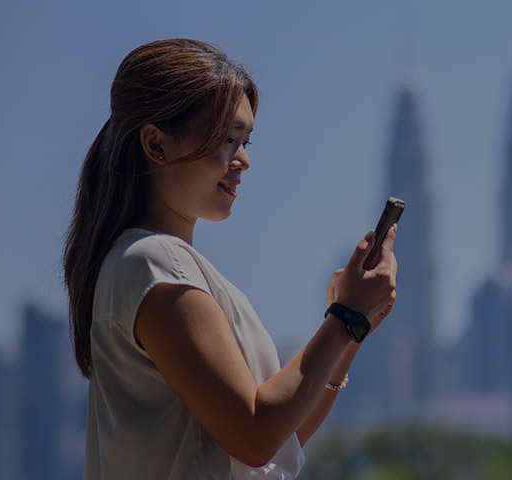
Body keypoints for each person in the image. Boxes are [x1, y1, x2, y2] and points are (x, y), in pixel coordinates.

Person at [63, 38, 398, 480]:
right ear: (156, 144)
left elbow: (280, 437)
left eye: (247, 141)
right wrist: (344, 316)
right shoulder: (154, 265)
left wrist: (351, 330)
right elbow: (254, 436)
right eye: (227, 138)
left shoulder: (153, 265)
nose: (243, 160)